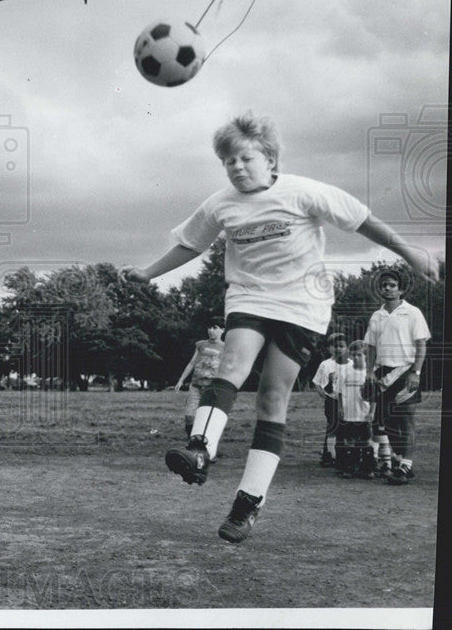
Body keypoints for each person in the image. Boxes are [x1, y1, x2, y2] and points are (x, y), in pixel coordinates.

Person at [121, 111, 438, 544]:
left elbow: (363, 220)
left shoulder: (303, 192)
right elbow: (189, 244)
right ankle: (199, 449)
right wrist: (148, 273)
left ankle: (247, 504)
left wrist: (410, 253)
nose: (235, 166)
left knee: (272, 398)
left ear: (270, 159)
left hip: (302, 306)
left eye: (244, 158)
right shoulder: (221, 203)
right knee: (232, 361)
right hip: (249, 297)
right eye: (227, 160)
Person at [363, 268, 431, 486]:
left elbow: (421, 345)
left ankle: (406, 464)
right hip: (383, 373)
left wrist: (416, 373)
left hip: (405, 371)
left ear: (400, 289)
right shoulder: (377, 315)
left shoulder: (412, 312)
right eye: (384, 285)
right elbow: (371, 347)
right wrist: (368, 372)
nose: (387, 288)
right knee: (386, 422)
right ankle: (401, 463)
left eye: (392, 285)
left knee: (407, 419)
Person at [173, 319, 225, 441]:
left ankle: (207, 446)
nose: (210, 330)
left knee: (208, 419)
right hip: (196, 385)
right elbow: (192, 363)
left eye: (214, 327)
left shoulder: (226, 347)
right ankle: (191, 443)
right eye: (209, 327)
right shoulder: (201, 344)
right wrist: (181, 380)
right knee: (189, 416)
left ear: (222, 330)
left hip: (212, 387)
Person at [332, 340, 374, 479]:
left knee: (365, 441)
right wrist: (340, 409)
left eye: (360, 355)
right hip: (349, 413)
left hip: (363, 413)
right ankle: (351, 467)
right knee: (350, 441)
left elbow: (374, 396)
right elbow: (338, 392)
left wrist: (372, 412)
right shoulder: (345, 371)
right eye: (354, 355)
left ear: (366, 356)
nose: (356, 358)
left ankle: (367, 468)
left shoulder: (369, 373)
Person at [310, 332, 347, 467]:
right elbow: (317, 382)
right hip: (332, 399)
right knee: (332, 425)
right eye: (333, 346)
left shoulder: (351, 364)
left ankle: (343, 454)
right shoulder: (325, 364)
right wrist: (323, 394)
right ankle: (329, 455)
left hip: (348, 401)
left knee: (345, 427)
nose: (337, 349)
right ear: (329, 348)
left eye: (341, 346)